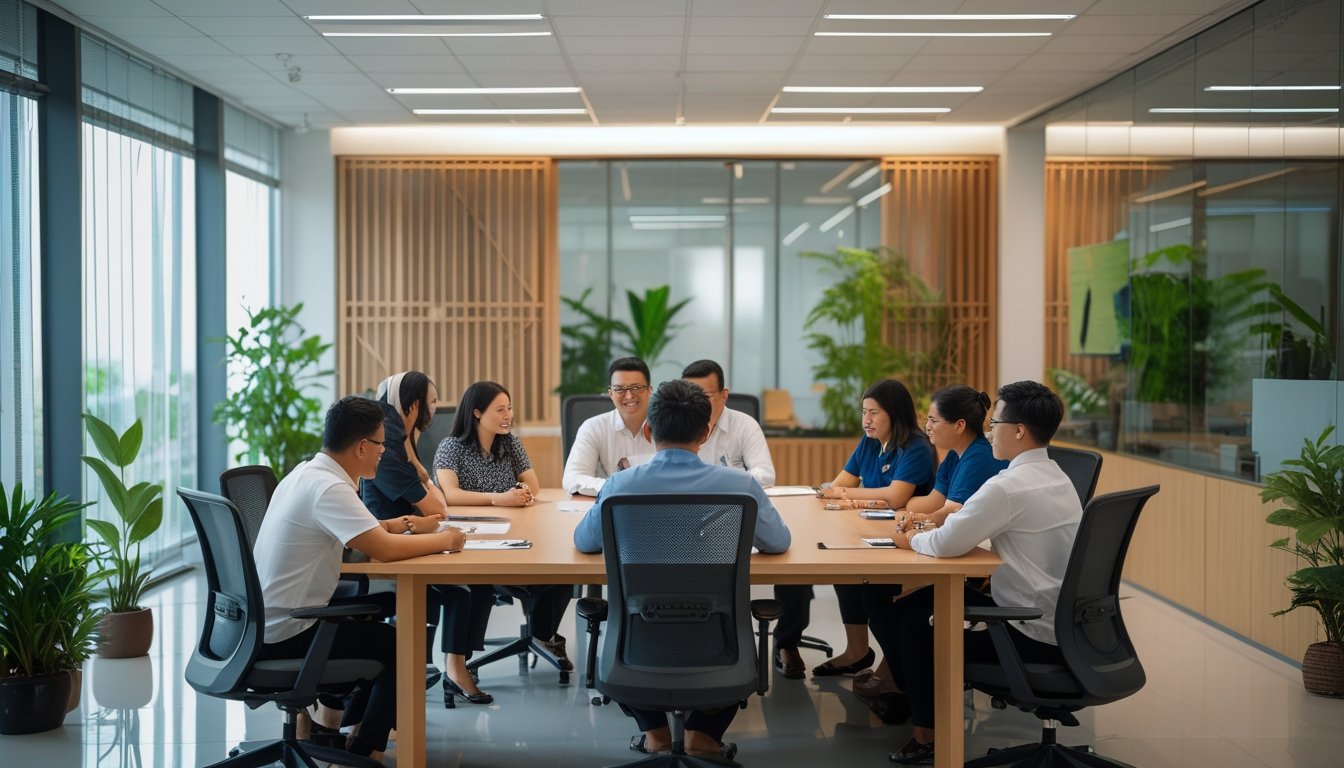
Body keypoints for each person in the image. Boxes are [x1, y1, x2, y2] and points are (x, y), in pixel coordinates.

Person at [865, 381, 1082, 765]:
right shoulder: (1058, 476)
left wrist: (909, 540)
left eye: (995, 421)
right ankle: (915, 701)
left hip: (1027, 627)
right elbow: (961, 523)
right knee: (908, 606)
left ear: (1018, 430)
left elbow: (946, 544)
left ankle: (927, 734)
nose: (988, 429)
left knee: (915, 627)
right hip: (1063, 621)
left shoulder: (1007, 486)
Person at [574, 380, 791, 759]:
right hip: (721, 648)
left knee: (629, 619)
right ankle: (703, 737)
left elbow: (584, 541)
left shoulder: (619, 486)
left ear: (650, 430)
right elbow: (778, 542)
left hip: (636, 648)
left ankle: (655, 735)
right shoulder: (741, 487)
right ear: (705, 433)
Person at [253, 395, 467, 762]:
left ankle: (351, 734)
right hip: (287, 634)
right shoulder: (330, 489)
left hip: (262, 625)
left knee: (380, 623)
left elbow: (361, 531)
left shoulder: (307, 473)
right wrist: (446, 539)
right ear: (362, 446)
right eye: (382, 444)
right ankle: (367, 750)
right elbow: (383, 549)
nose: (385, 452)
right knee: (399, 646)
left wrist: (402, 525)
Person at [854, 384, 1009, 717]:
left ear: (958, 426)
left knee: (884, 603)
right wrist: (917, 518)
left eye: (933, 420)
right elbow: (938, 506)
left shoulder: (978, 457)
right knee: (877, 599)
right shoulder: (956, 454)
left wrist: (915, 524)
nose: (927, 427)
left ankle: (908, 689)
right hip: (963, 544)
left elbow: (951, 514)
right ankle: (904, 681)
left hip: (977, 560)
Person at [773, 379, 935, 680]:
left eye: (874, 413)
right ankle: (857, 651)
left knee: (869, 591)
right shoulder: (870, 442)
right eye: (864, 412)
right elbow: (839, 484)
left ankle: (896, 672)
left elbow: (895, 496)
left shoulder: (916, 448)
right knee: (843, 573)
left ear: (895, 413)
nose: (866, 420)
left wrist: (845, 495)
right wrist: (841, 493)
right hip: (871, 532)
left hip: (905, 544)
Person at [361, 371, 496, 707]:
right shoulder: (391, 452)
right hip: (386, 550)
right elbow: (438, 506)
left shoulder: (402, 444)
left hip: (409, 537)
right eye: (433, 402)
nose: (436, 410)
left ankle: (449, 666)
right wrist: (423, 475)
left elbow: (437, 506)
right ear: (415, 405)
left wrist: (420, 470)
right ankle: (444, 668)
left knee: (477, 584)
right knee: (461, 590)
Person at [434, 380, 574, 674]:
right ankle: (462, 660)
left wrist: (521, 493)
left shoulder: (509, 443)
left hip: (515, 531)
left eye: (508, 408)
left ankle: (542, 634)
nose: (507, 415)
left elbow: (532, 486)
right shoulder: (452, 447)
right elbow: (450, 494)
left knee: (561, 570)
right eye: (499, 410)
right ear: (476, 413)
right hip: (473, 539)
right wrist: (499, 499)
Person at [561, 357, 656, 496]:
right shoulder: (593, 427)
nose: (629, 396)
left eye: (636, 388)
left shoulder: (668, 426)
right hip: (609, 510)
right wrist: (616, 487)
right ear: (610, 394)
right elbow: (572, 478)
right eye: (619, 389)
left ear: (650, 391)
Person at [681, 358, 775, 487]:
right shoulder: (675, 424)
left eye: (705, 396)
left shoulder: (745, 425)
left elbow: (765, 475)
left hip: (730, 502)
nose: (696, 402)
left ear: (724, 395)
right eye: (689, 396)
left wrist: (721, 479)